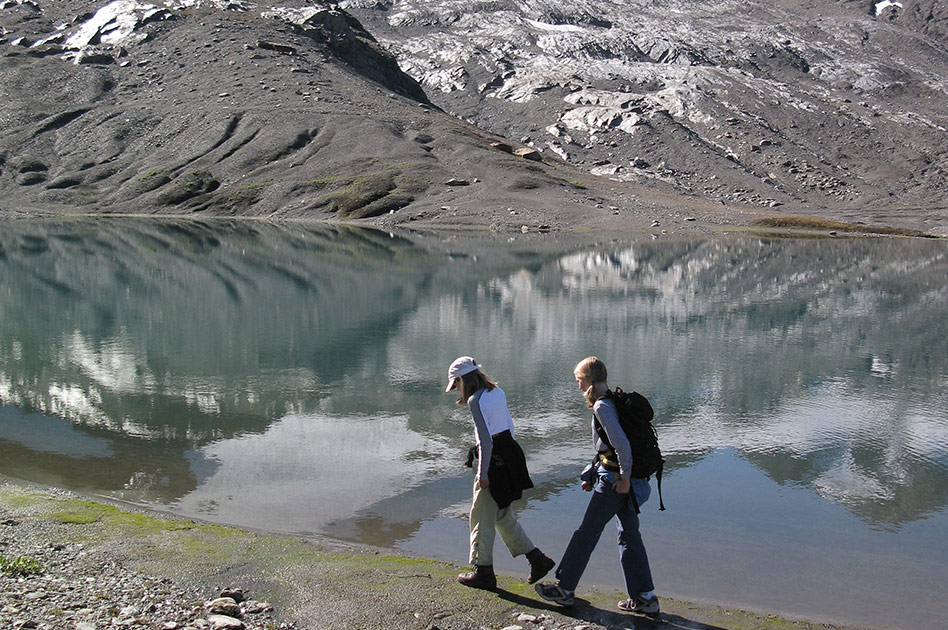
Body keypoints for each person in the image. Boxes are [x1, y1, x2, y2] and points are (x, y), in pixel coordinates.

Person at [535, 356, 659, 615]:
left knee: (587, 532)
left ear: (590, 380)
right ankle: (645, 597)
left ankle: (565, 589)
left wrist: (624, 479)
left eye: (579, 381)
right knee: (629, 536)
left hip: (615, 483)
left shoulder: (602, 407)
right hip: (625, 480)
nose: (578, 386)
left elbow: (620, 446)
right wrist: (591, 473)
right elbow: (607, 449)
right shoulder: (613, 399)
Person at [445, 356, 555, 590]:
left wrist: (483, 474)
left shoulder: (475, 400)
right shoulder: (497, 391)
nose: (456, 390)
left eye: (456, 384)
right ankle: (537, 559)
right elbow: (508, 425)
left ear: (463, 380)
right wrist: (507, 459)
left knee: (480, 516)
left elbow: (485, 440)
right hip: (510, 452)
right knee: (502, 515)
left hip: (492, 458)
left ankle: (482, 571)